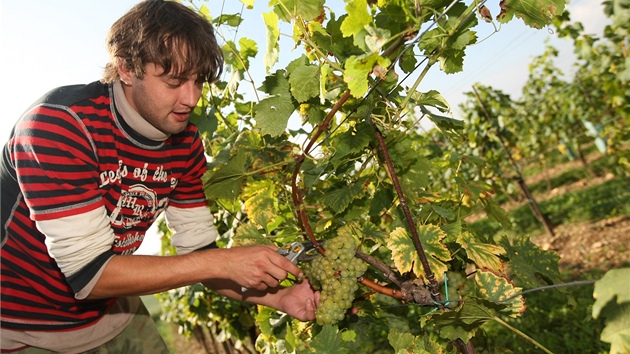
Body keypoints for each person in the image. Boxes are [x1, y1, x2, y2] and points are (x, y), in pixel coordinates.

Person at [0, 1, 319, 352]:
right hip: (21, 329)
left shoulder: (184, 143)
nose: (191, 97)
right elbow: (89, 276)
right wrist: (224, 260)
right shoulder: (60, 126)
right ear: (125, 68)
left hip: (113, 315)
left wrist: (280, 298)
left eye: (198, 80)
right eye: (175, 81)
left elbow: (199, 251)